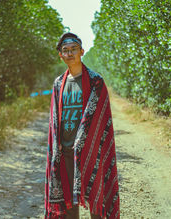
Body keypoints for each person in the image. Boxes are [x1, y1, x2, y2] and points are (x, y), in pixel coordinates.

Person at [44, 32, 120, 219]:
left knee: (95, 198)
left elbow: (101, 122)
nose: (70, 54)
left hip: (91, 153)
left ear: (82, 51)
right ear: (60, 55)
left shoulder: (96, 81)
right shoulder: (58, 83)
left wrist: (84, 142)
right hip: (65, 152)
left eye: (73, 49)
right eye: (65, 51)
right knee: (68, 202)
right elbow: (54, 121)